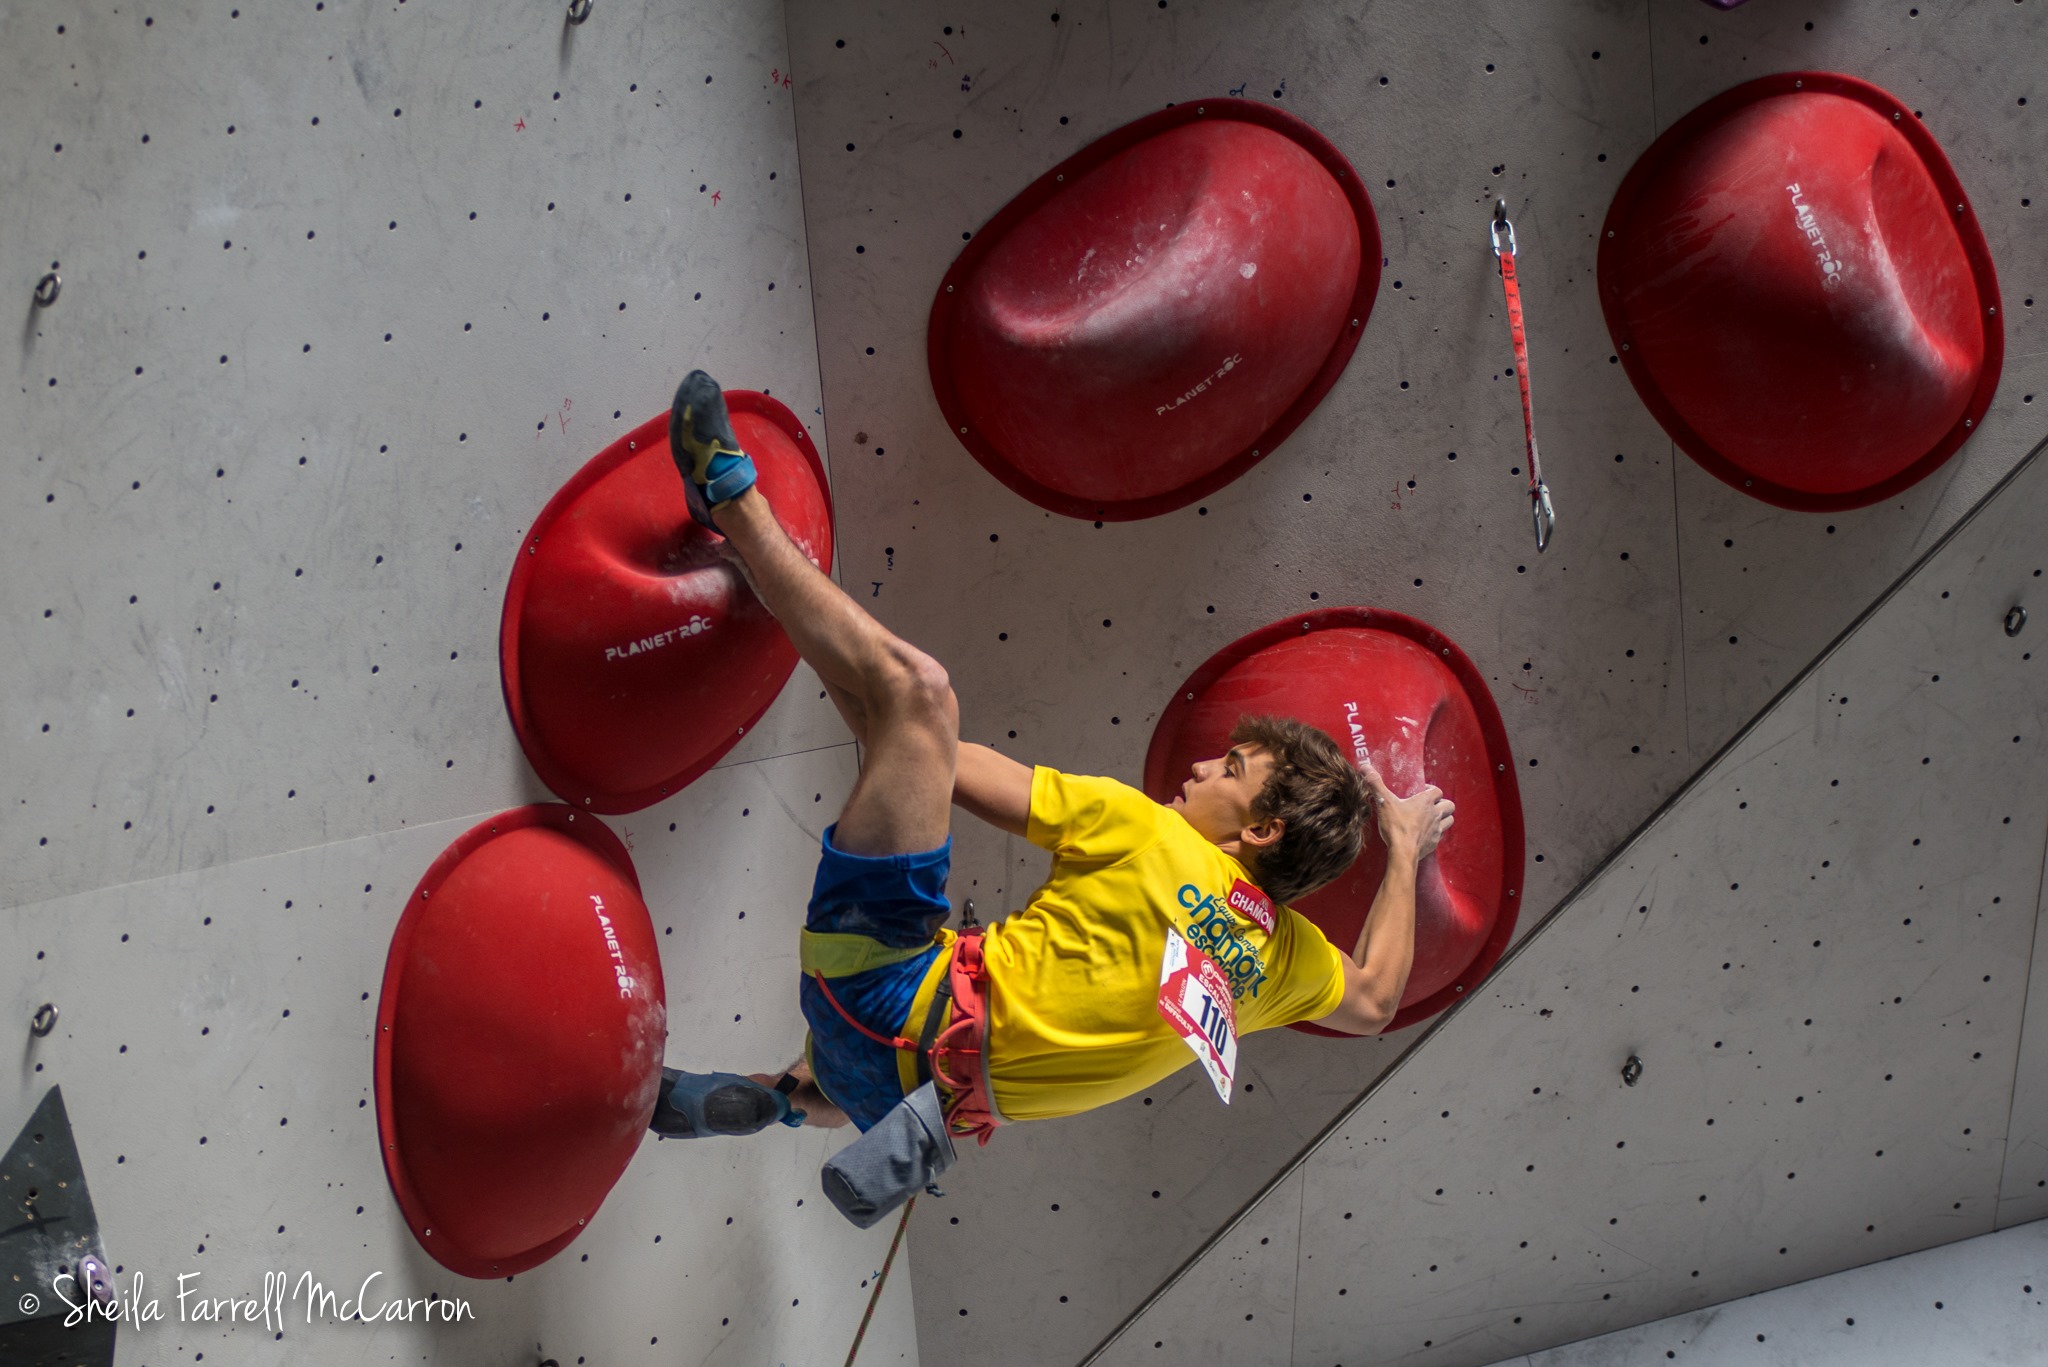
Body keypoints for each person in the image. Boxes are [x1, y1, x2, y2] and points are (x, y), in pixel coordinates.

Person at [647, 372, 1454, 1163]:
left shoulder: (1144, 828)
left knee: (921, 694)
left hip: (880, 990)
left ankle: (728, 502)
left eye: (1231, 767)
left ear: (1263, 826)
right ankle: (783, 1101)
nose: (1204, 765)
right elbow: (1379, 993)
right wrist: (1406, 849)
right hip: (908, 1101)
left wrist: (844, 653)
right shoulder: (1284, 963)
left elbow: (911, 742)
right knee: (894, 1059)